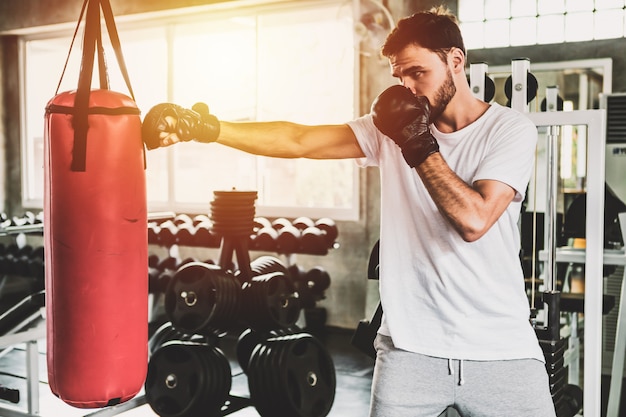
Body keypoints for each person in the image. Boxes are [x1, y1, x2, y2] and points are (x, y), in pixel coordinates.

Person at [142, 6, 556, 417]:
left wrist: (414, 142)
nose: (408, 88)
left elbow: (474, 219)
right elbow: (299, 139)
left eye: (418, 73)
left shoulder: (509, 130)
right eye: (400, 77)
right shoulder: (390, 130)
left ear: (456, 60)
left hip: (501, 350)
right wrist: (207, 128)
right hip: (411, 351)